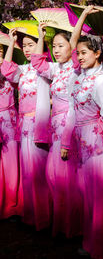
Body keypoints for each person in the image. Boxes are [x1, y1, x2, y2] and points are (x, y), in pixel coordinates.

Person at [31, 6, 97, 238]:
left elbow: (76, 37)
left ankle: (75, 227)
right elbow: (37, 63)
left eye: (61, 45)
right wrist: (41, 37)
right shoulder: (55, 68)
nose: (56, 50)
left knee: (70, 179)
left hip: (70, 127)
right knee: (54, 176)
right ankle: (63, 225)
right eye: (55, 46)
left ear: (73, 48)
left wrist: (82, 17)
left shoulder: (75, 68)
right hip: (56, 129)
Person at [62, 29, 103, 258]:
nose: (80, 57)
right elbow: (73, 111)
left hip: (97, 143)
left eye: (84, 53)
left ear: (97, 53)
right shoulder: (81, 78)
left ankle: (101, 246)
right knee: (86, 193)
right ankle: (90, 240)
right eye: (79, 53)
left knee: (98, 195)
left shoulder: (101, 80)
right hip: (81, 142)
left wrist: (98, 133)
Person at [1, 29, 52, 230]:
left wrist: (40, 37)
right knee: (28, 171)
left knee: (41, 171)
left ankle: (45, 216)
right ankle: (31, 215)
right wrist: (12, 43)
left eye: (32, 45)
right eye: (27, 46)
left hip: (40, 123)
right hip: (24, 125)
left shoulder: (46, 68)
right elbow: (6, 69)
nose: (29, 49)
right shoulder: (22, 70)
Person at [0, 43, 22, 219]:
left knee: (11, 160)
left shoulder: (12, 70)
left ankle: (12, 202)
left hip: (10, 117)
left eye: (1, 50)